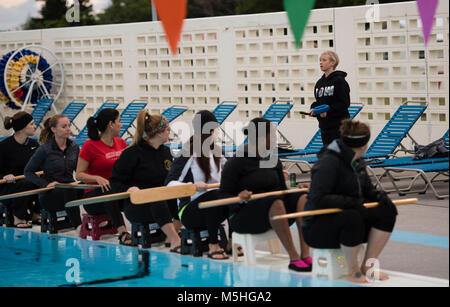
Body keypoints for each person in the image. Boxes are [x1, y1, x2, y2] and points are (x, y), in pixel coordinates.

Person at [302, 119, 398, 283]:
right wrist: (351, 202)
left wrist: (378, 196)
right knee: (352, 216)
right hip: (318, 227)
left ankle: (368, 265)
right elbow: (319, 199)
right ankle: (353, 271)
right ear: (364, 144)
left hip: (346, 218)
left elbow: (366, 189)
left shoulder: (356, 160)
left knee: (387, 211)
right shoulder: (329, 162)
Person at [219, 118, 312, 272]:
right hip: (245, 216)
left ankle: (305, 254)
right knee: (276, 203)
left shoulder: (273, 159)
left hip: (275, 212)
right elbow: (222, 195)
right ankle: (293, 257)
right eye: (273, 135)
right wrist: (239, 198)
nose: (276, 138)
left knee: (302, 197)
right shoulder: (236, 162)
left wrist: (297, 190)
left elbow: (283, 191)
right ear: (261, 138)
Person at [110, 110, 181, 251]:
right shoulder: (131, 154)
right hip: (136, 205)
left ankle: (173, 232)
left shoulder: (165, 152)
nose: (169, 133)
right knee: (156, 199)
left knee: (182, 196)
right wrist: (127, 189)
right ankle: (175, 239)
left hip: (162, 200)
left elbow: (170, 178)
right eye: (168, 130)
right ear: (159, 132)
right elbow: (115, 182)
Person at [165, 110, 230, 259]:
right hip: (189, 211)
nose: (217, 133)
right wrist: (192, 186)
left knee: (233, 193)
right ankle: (213, 244)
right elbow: (169, 183)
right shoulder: (188, 152)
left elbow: (234, 173)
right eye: (216, 130)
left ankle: (232, 241)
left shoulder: (218, 152)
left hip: (214, 206)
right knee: (214, 195)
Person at [75, 108, 131, 245]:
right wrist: (96, 178)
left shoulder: (121, 143)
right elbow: (79, 175)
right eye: (119, 121)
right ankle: (123, 232)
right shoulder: (89, 146)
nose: (121, 124)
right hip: (93, 197)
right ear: (110, 124)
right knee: (109, 192)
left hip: (116, 191)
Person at [24, 114, 82, 231]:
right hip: (50, 194)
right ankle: (79, 226)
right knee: (68, 190)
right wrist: (46, 184)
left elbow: (79, 170)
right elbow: (28, 172)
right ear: (53, 129)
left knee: (93, 188)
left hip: (70, 187)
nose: (68, 129)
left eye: (69, 126)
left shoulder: (74, 146)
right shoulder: (44, 149)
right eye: (64, 126)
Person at [0, 112, 40, 228]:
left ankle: (36, 213)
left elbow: (41, 166)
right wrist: (4, 177)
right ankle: (18, 217)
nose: (35, 126)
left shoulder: (34, 144)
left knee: (44, 180)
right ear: (22, 128)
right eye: (31, 124)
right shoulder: (4, 146)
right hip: (7, 187)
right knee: (25, 183)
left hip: (28, 182)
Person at [309, 51, 350, 146]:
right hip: (325, 127)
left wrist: (328, 112)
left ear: (332, 63)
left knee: (339, 157)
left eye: (324, 60)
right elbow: (319, 101)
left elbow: (344, 103)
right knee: (329, 156)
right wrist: (313, 108)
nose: (320, 62)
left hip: (339, 127)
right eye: (320, 60)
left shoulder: (340, 81)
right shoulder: (319, 83)